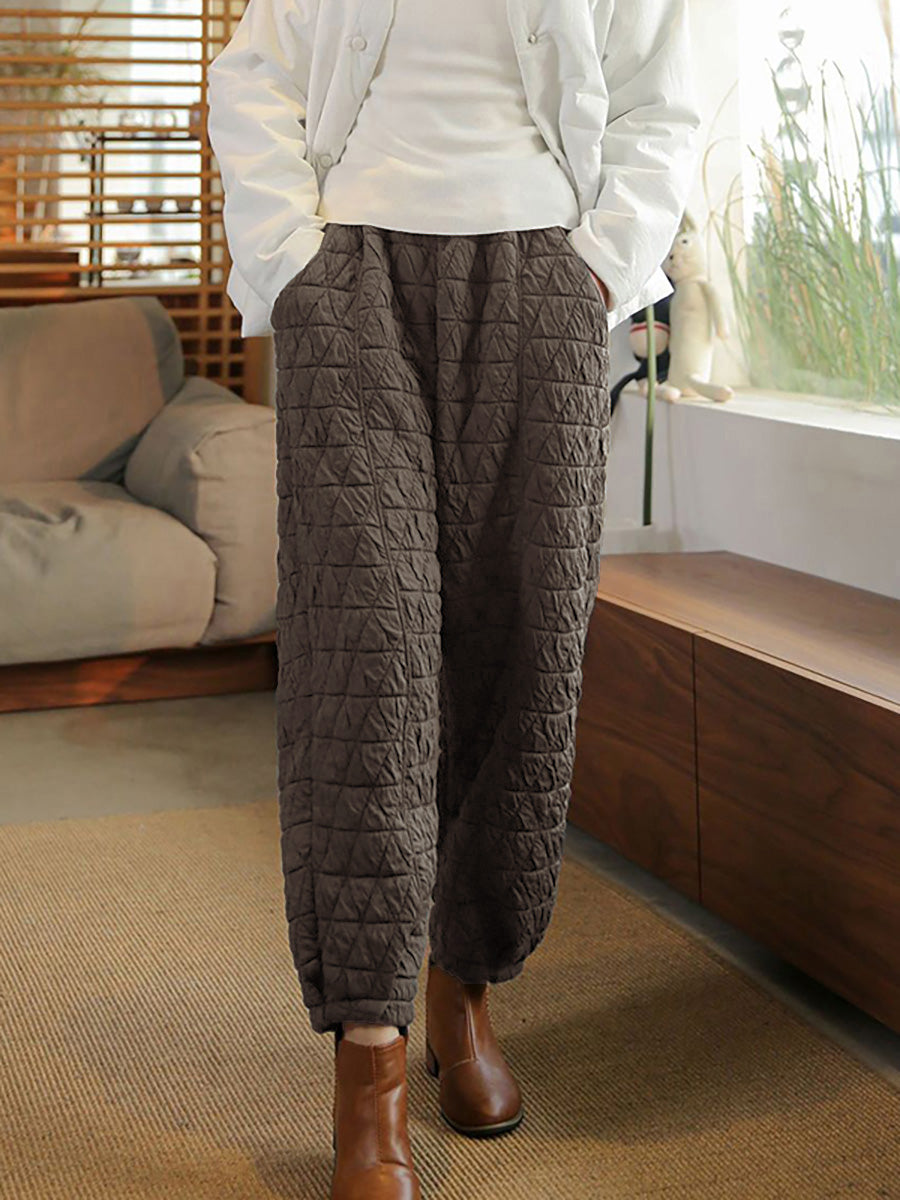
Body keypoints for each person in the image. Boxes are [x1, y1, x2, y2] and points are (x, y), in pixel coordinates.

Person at [207, 2, 700, 1196]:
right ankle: (368, 1065)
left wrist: (596, 268)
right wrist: (295, 264)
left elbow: (661, 104)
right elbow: (255, 78)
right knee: (365, 669)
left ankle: (463, 997)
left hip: (542, 282)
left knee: (521, 657)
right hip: (354, 282)